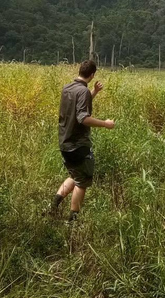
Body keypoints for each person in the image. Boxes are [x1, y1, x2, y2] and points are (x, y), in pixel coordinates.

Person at [48, 60, 115, 222]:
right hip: (77, 145)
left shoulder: (68, 88)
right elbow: (83, 117)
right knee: (82, 182)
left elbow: (77, 106)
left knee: (74, 174)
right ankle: (73, 220)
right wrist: (105, 124)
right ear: (92, 75)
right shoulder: (82, 92)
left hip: (64, 142)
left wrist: (94, 92)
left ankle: (53, 206)